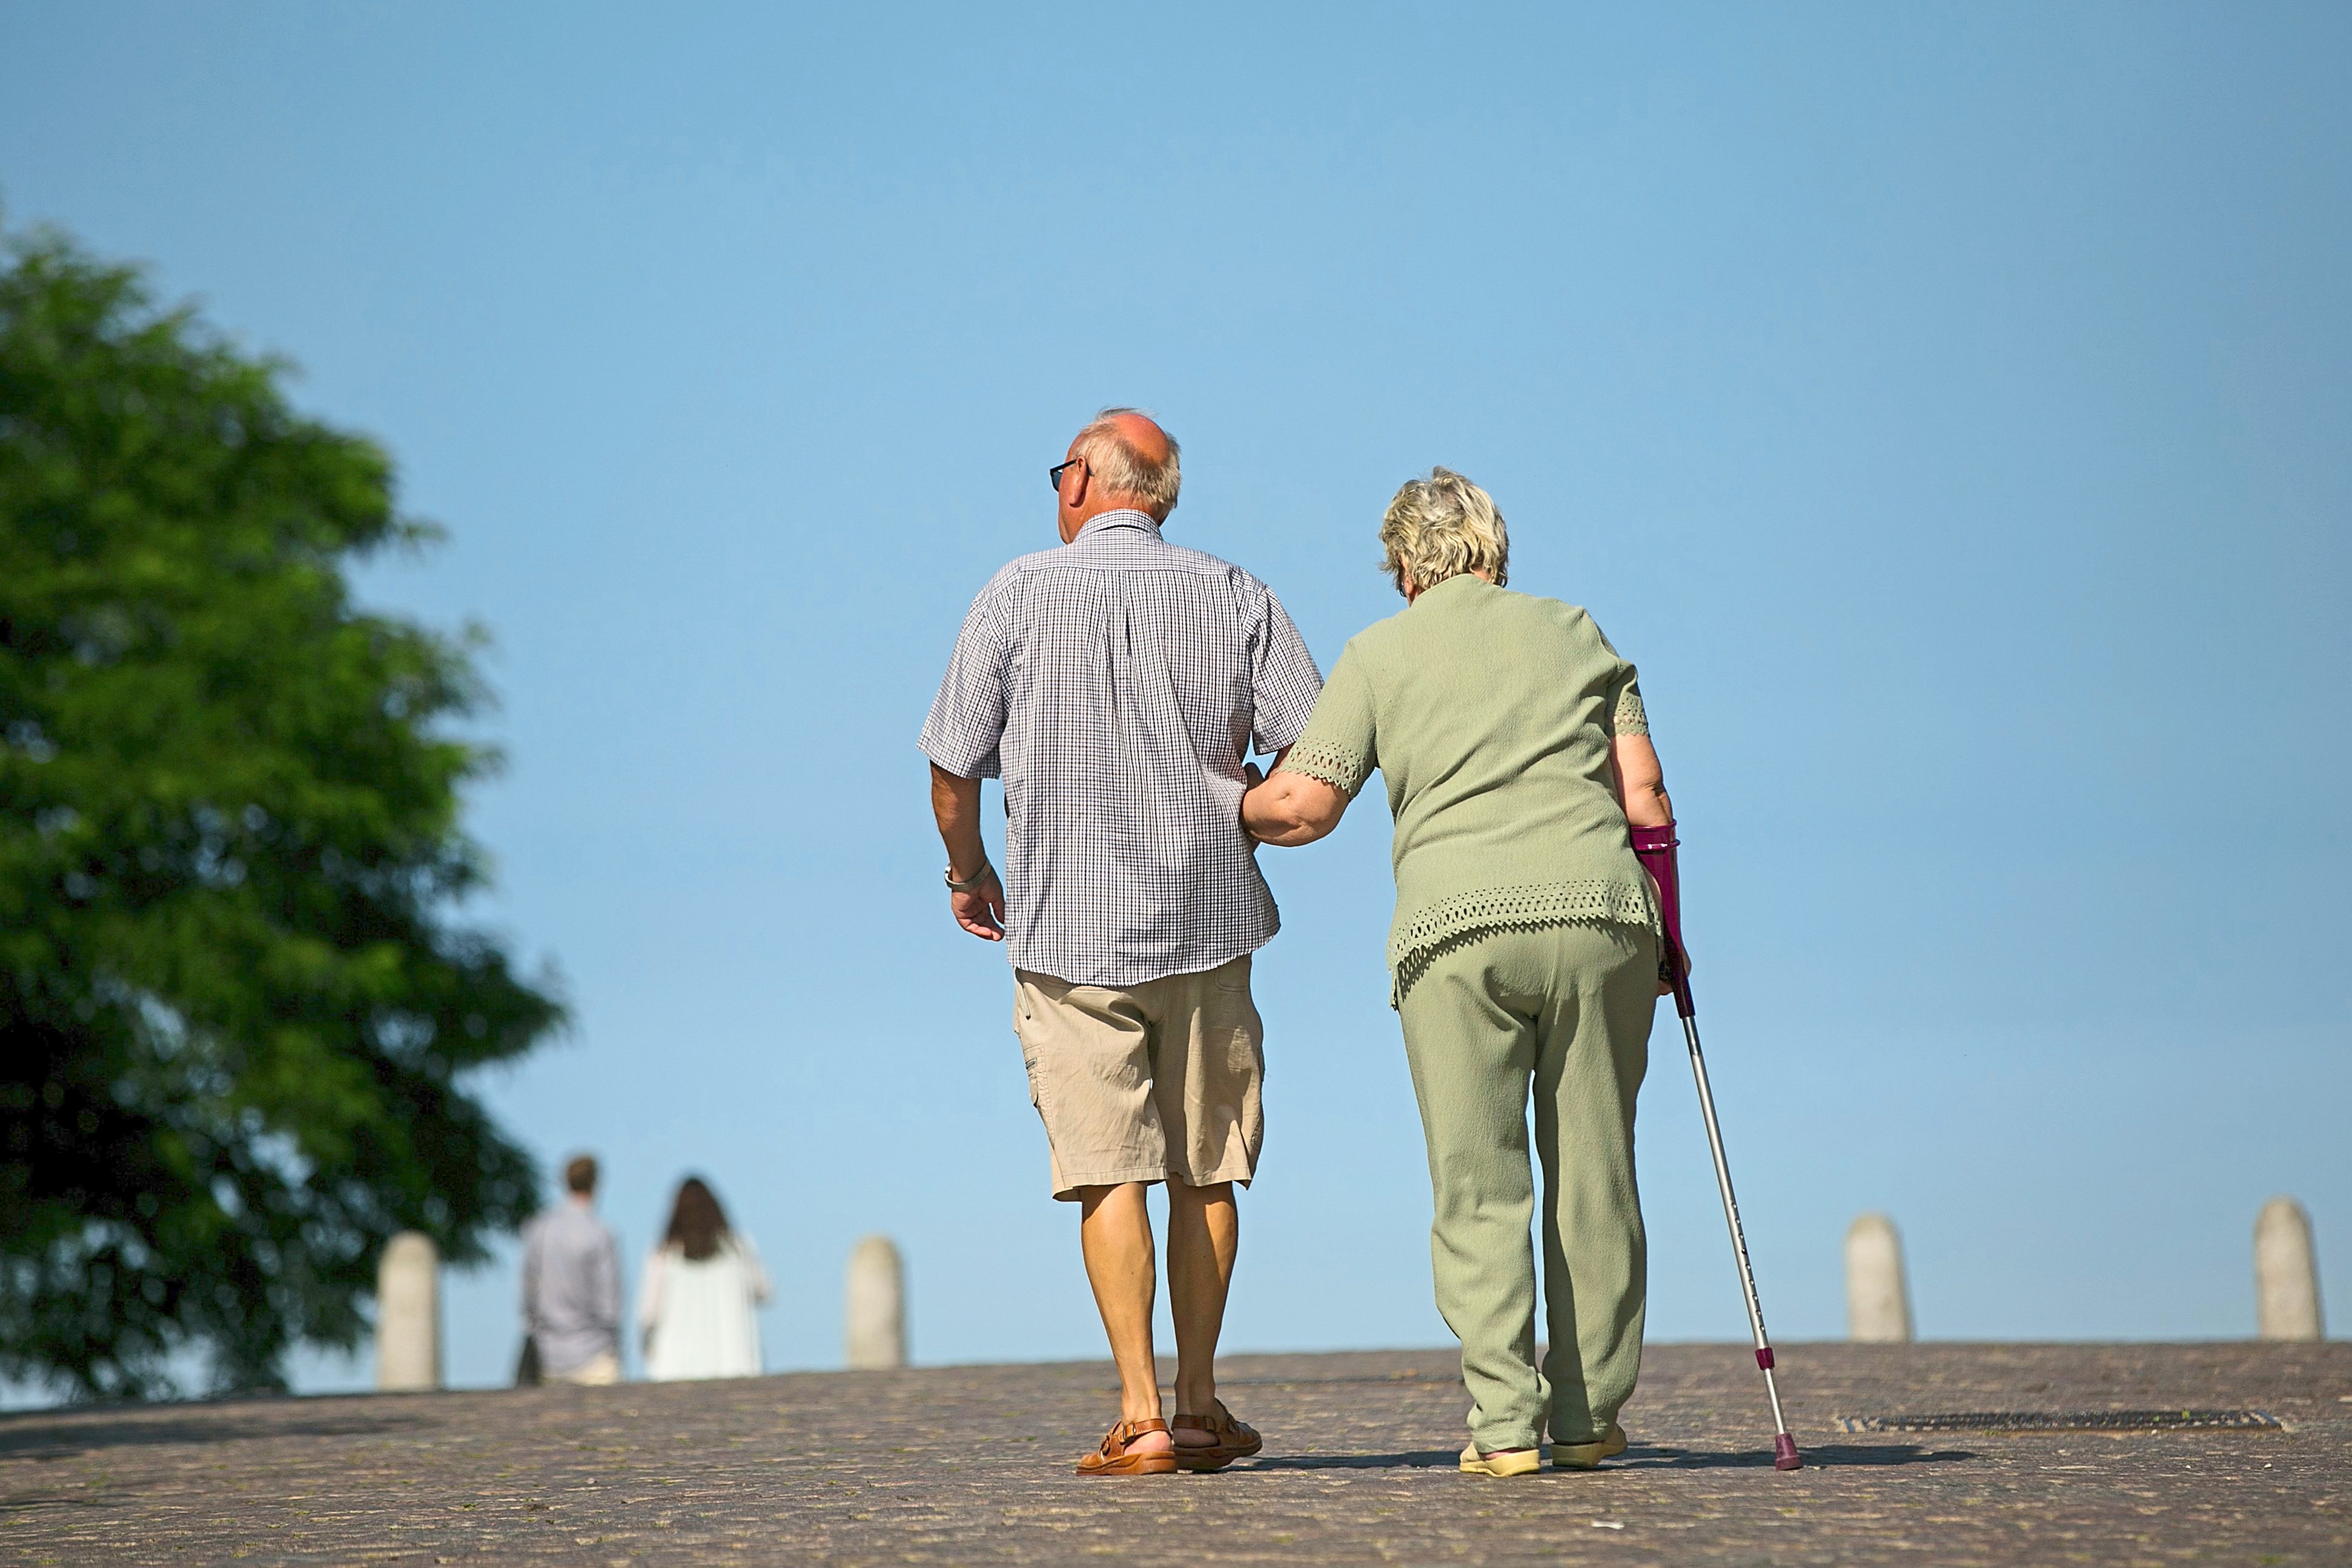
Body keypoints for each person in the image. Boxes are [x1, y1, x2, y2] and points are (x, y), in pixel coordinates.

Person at [1242, 468, 1672, 1477]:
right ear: (1495, 551)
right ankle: (1584, 1412)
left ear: (1402, 568)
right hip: (1599, 915)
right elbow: (1644, 798)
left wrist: (1233, 809)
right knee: (1595, 1172)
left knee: (1477, 1181)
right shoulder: (1576, 630)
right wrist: (1669, 938)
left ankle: (1503, 1425)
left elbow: (1305, 803)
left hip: (1455, 933)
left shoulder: (1379, 652)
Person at [920, 408, 1322, 1476]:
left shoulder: (1013, 591)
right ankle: (1196, 1401)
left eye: (1059, 469)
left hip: (1066, 931)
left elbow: (951, 768)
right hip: (1208, 918)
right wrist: (1235, 806)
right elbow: (1316, 748)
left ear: (1087, 480)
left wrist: (970, 874)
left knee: (1109, 1173)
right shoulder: (1237, 592)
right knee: (1206, 1170)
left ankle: (1140, 1411)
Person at [636, 1176, 772, 1381]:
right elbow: (764, 1292)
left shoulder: (664, 1254)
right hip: (733, 1363)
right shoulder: (737, 1247)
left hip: (675, 1367)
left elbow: (648, 1313)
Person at [520, 1153, 624, 1386]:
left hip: (550, 1354)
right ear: (596, 1183)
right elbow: (610, 1304)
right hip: (594, 1352)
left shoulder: (540, 1229)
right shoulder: (601, 1233)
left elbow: (529, 1291)